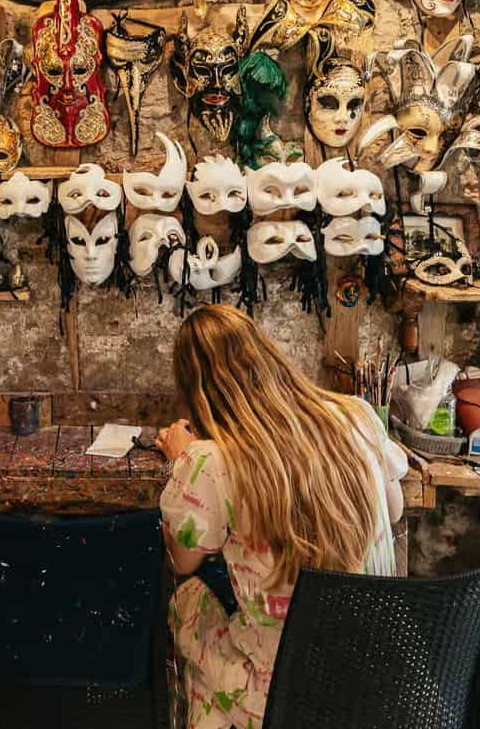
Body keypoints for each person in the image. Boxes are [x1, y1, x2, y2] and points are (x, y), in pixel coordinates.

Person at [154, 305, 408, 729]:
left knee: (187, 602)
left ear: (196, 391)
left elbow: (182, 560)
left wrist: (183, 459)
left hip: (288, 695)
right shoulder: (356, 414)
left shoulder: (212, 460)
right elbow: (396, 509)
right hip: (376, 681)